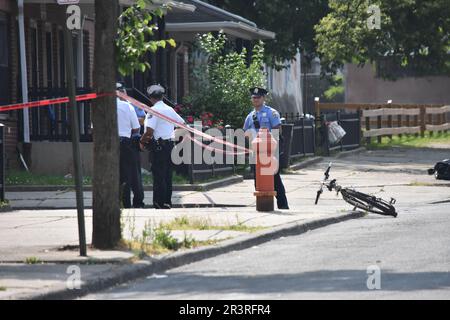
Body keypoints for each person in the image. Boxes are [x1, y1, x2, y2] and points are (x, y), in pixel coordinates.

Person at [140, 84, 186, 209]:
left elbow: (149, 131)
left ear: (150, 98)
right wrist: (173, 137)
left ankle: (159, 203)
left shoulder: (153, 110)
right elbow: (183, 125)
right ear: (163, 96)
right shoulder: (170, 110)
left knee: (158, 175)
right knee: (167, 175)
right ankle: (167, 202)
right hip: (170, 146)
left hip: (158, 147)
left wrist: (142, 142)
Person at [243, 87, 289, 210]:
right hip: (256, 153)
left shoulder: (271, 113)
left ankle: (283, 205)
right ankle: (263, 204)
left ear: (263, 98)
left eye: (258, 97)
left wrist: (273, 151)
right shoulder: (250, 116)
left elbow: (277, 131)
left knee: (274, 179)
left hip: (269, 152)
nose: (256, 100)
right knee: (257, 179)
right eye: (254, 98)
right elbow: (246, 133)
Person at [116, 83, 145, 208]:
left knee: (114, 175)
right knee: (128, 174)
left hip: (108, 145)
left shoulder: (101, 106)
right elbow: (136, 127)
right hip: (126, 143)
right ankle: (127, 203)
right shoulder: (127, 107)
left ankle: (120, 202)